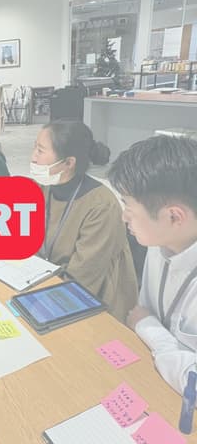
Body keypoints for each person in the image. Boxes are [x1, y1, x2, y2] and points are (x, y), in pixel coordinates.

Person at [109, 135, 197, 395]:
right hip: (151, 377)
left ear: (174, 216)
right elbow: (143, 312)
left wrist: (150, 330)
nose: (124, 216)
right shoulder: (159, 241)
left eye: (129, 206)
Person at [30, 120, 137, 322]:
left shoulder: (101, 205)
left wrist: (36, 299)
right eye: (35, 148)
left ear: (68, 163)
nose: (33, 157)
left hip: (90, 299)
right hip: (46, 283)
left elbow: (83, 278)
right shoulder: (42, 188)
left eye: (40, 151)